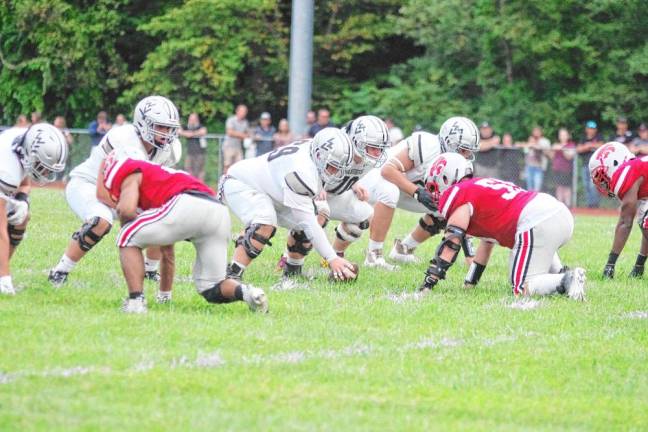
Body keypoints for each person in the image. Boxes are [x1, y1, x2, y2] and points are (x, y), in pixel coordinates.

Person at [98, 150, 268, 313]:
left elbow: (127, 210)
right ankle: (249, 293)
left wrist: (124, 218)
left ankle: (135, 302)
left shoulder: (130, 170)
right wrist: (165, 296)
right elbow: (167, 252)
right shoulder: (160, 180)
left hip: (187, 203)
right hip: (217, 211)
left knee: (127, 236)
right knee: (210, 287)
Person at [48, 96, 182, 287]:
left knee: (163, 214)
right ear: (143, 124)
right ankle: (60, 270)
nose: (166, 133)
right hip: (90, 185)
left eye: (169, 128)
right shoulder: (123, 139)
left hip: (125, 191)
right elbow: (103, 193)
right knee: (100, 221)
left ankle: (150, 270)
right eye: (160, 127)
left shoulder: (169, 150)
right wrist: (133, 210)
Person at [419, 153, 586, 301]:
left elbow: (452, 241)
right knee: (535, 253)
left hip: (536, 220)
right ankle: (562, 277)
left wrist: (429, 283)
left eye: (433, 187)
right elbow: (486, 243)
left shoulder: (457, 193)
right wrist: (469, 283)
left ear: (445, 179)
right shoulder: (479, 187)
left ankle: (567, 279)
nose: (435, 194)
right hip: (555, 213)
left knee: (522, 287)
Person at [219, 128, 358, 284]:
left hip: (273, 190)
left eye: (340, 167)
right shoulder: (301, 171)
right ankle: (232, 273)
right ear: (319, 156)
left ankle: (292, 271)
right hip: (242, 183)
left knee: (319, 215)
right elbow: (308, 224)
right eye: (332, 166)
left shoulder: (316, 149)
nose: (336, 172)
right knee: (266, 221)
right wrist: (333, 259)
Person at [357, 117, 480, 268]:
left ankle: (403, 250)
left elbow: (461, 208)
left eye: (469, 151)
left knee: (445, 208)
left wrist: (471, 258)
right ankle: (373, 255)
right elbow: (387, 171)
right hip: (379, 180)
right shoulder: (427, 145)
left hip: (408, 190)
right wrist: (417, 192)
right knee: (390, 191)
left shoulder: (461, 164)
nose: (466, 155)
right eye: (463, 150)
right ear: (448, 142)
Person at [303, 115, 391, 267]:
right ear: (357, 141)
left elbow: (347, 171)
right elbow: (308, 162)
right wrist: (317, 186)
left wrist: (354, 184)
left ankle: (333, 256)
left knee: (364, 216)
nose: (378, 153)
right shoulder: (336, 143)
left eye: (380, 148)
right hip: (309, 193)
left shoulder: (365, 153)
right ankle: (290, 260)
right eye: (374, 147)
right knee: (317, 217)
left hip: (334, 194)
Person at [0, 123, 68, 295]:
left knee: (21, 218)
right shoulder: (7, 168)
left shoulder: (24, 142)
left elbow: (23, 173)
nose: (45, 173)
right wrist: (5, 279)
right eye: (42, 165)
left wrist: (23, 198)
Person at [588, 142, 648, 279]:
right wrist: (639, 265)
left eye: (601, 176)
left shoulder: (624, 174)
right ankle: (639, 267)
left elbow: (625, 223)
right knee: (645, 218)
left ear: (614, 162)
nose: (602, 182)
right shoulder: (636, 168)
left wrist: (610, 264)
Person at [576, 121, 604, 208]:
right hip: (585, 165)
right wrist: (588, 147)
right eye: (589, 128)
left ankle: (595, 204)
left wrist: (590, 145)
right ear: (586, 129)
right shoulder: (583, 138)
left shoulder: (599, 137)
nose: (591, 130)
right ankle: (590, 205)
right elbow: (579, 149)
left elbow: (602, 146)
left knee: (593, 185)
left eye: (593, 128)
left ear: (595, 130)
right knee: (586, 185)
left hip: (596, 167)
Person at [519, 126, 551, 192]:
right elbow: (525, 151)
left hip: (539, 167)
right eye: (534, 131)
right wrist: (528, 145)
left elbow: (548, 153)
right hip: (529, 166)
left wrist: (535, 145)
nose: (536, 133)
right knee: (529, 188)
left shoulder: (544, 141)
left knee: (537, 189)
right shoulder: (530, 140)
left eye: (537, 131)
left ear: (541, 132)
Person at [550, 128, 576, 207]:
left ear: (568, 136)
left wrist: (562, 148)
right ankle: (559, 204)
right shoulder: (556, 144)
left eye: (564, 135)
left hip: (566, 170)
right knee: (559, 187)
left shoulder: (571, 145)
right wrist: (553, 149)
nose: (563, 136)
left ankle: (567, 205)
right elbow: (551, 156)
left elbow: (569, 157)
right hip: (557, 169)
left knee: (566, 188)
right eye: (561, 135)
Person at [180, 112, 208, 180]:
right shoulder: (186, 127)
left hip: (200, 153)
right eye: (190, 119)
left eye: (193, 119)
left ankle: (200, 186)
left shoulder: (200, 126)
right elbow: (179, 131)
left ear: (197, 120)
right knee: (188, 169)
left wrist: (191, 134)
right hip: (190, 153)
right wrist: (190, 134)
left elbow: (203, 131)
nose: (191, 121)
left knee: (199, 171)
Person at [223, 104, 249, 172]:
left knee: (239, 166)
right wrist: (242, 135)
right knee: (227, 165)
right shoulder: (231, 120)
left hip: (238, 147)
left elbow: (247, 134)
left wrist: (240, 135)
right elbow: (230, 132)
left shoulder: (245, 122)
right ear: (237, 111)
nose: (243, 113)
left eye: (245, 111)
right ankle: (225, 181)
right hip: (229, 146)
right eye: (242, 111)